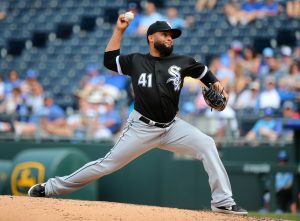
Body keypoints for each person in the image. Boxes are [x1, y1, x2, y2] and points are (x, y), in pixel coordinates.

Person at [28, 17, 247, 215]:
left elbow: (203, 72)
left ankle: (222, 201)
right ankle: (50, 188)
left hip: (172, 127)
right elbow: (109, 60)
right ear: (151, 38)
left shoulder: (182, 61)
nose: (170, 38)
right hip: (141, 128)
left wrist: (216, 84)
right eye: (165, 34)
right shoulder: (135, 61)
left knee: (207, 144)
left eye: (172, 36)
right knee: (106, 165)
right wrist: (119, 30)